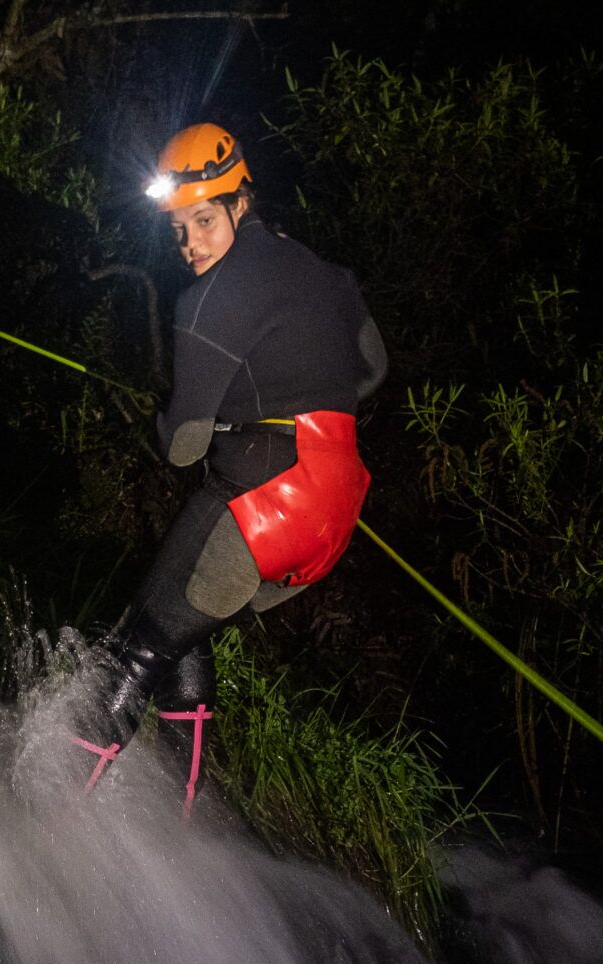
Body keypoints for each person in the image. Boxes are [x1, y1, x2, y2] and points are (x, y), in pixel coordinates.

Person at [75, 123, 388, 801]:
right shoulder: (323, 273)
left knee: (138, 645)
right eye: (179, 228)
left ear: (241, 202)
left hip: (262, 499)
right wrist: (286, 396)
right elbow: (373, 367)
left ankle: (48, 808)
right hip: (336, 507)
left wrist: (192, 418)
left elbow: (182, 444)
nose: (190, 244)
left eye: (205, 220)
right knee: (184, 628)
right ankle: (179, 814)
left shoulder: (207, 299)